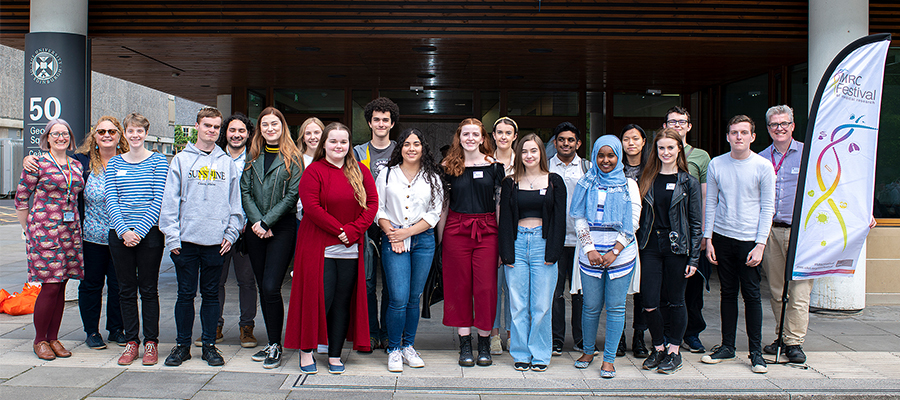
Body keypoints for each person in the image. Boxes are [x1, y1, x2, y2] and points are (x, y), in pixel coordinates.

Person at [22, 116, 130, 350]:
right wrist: (29, 158)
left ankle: (116, 329)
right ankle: (90, 332)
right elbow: (27, 191)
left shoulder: (128, 161)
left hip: (121, 235)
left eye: (112, 131)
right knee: (89, 285)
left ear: (120, 135)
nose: (107, 135)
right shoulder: (83, 161)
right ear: (94, 136)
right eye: (101, 132)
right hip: (89, 235)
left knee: (119, 285)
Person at [285, 122, 377, 375]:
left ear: (349, 145)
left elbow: (372, 205)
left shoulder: (361, 171)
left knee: (341, 301)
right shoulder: (314, 171)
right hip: (318, 247)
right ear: (324, 143)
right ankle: (306, 351)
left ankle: (334, 354)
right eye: (333, 141)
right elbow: (312, 208)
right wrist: (341, 231)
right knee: (318, 300)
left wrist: (353, 231)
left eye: (343, 142)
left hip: (350, 249)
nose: (339, 146)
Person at [159, 107, 244, 367]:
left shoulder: (226, 163)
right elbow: (169, 203)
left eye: (216, 127)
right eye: (207, 125)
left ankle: (209, 346)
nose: (212, 130)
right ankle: (182, 346)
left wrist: (230, 234)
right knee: (185, 295)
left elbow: (235, 205)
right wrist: (172, 237)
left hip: (216, 243)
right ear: (197, 126)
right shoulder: (181, 161)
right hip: (185, 242)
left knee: (211, 296)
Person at [700, 115, 775, 374]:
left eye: (744, 132)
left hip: (749, 240)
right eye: (734, 132)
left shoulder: (763, 166)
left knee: (752, 296)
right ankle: (727, 347)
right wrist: (708, 239)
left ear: (753, 136)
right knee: (727, 294)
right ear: (728, 136)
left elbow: (768, 208)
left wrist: (761, 244)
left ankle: (756, 353)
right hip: (722, 236)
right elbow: (710, 202)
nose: (739, 137)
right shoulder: (717, 164)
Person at [570, 135, 641, 379]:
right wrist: (589, 248)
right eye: (601, 155)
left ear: (619, 156)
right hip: (590, 254)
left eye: (611, 155)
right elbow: (578, 216)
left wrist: (615, 251)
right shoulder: (586, 182)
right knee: (590, 307)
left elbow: (633, 221)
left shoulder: (629, 184)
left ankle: (609, 359)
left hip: (620, 255)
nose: (606, 160)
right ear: (594, 156)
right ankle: (588, 351)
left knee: (616, 307)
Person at [15, 119, 85, 361]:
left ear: (70, 137)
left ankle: (53, 337)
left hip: (70, 231)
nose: (60, 137)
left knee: (62, 285)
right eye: (55, 134)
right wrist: (29, 229)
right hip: (44, 232)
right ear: (47, 138)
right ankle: (39, 340)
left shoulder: (76, 165)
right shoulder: (37, 164)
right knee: (50, 285)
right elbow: (21, 198)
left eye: (64, 133)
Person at [375, 128, 443, 372]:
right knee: (398, 298)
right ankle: (394, 349)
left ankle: (408, 347)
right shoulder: (385, 174)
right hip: (393, 239)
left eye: (416, 143)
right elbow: (378, 209)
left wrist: (407, 232)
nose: (411, 148)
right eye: (406, 144)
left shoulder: (432, 177)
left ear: (423, 148)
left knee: (414, 298)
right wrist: (393, 233)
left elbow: (434, 213)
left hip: (422, 241)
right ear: (399, 148)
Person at [635, 128, 703, 374]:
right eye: (661, 148)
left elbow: (696, 223)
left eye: (670, 148)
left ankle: (674, 351)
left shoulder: (689, 182)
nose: (665, 152)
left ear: (679, 150)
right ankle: (659, 347)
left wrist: (694, 258)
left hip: (677, 247)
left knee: (676, 301)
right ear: (656, 150)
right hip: (650, 246)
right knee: (650, 301)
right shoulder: (646, 178)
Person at [240, 107, 303, 369]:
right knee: (262, 288)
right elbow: (245, 192)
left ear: (282, 127)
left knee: (270, 287)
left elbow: (292, 195)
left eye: (274, 124)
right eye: (265, 124)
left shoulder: (294, 158)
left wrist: (267, 221)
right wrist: (257, 222)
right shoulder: (252, 156)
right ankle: (271, 342)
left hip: (281, 228)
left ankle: (276, 344)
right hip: (256, 229)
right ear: (260, 129)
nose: (269, 129)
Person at [498, 134, 566, 372]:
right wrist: (506, 253)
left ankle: (540, 353)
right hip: (517, 243)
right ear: (520, 155)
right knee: (517, 304)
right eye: (525, 151)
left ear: (541, 154)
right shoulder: (510, 182)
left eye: (534, 151)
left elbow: (559, 220)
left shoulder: (555, 181)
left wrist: (553, 252)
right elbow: (505, 220)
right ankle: (520, 353)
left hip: (542, 244)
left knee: (541, 305)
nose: (529, 155)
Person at [439, 118, 504, 367]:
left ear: (482, 137)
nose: (470, 138)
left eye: (474, 134)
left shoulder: (495, 166)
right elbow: (444, 205)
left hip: (487, 230)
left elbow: (499, 204)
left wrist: (502, 243)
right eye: (465, 134)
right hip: (456, 229)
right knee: (460, 286)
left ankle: (484, 343)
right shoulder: (447, 166)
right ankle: (465, 344)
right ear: (459, 137)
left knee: (486, 288)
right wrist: (441, 241)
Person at [105, 112, 168, 365]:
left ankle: (151, 343)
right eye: (130, 131)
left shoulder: (158, 162)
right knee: (126, 290)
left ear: (146, 133)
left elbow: (158, 200)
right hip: (119, 234)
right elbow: (111, 199)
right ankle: (132, 342)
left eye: (139, 131)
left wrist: (139, 232)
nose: (135, 135)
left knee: (149, 290)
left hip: (149, 234)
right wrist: (124, 231)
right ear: (124, 134)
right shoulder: (115, 164)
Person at [759, 105, 810, 364]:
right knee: (778, 291)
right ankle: (782, 336)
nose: (779, 128)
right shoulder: (760, 158)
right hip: (770, 233)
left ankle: (794, 343)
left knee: (799, 292)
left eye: (784, 123)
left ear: (792, 125)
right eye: (774, 124)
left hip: (800, 233)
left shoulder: (808, 154)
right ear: (768, 129)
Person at [663, 106, 711, 354]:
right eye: (673, 121)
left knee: (691, 289)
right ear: (665, 126)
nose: (678, 125)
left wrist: (702, 232)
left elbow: (705, 196)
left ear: (689, 126)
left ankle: (691, 334)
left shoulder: (701, 157)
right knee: (665, 289)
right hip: (663, 234)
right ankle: (667, 334)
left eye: (682, 122)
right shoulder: (659, 154)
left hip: (690, 232)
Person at [353, 97, 399, 350]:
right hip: (367, 223)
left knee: (393, 282)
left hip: (394, 223)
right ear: (370, 122)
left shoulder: (400, 151)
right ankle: (371, 331)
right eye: (376, 119)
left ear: (392, 123)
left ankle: (388, 332)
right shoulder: (358, 152)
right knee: (368, 282)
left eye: (385, 120)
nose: (381, 124)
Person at [210, 113, 257, 348]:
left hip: (246, 230)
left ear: (248, 134)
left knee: (247, 280)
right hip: (218, 229)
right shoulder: (214, 158)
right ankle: (214, 326)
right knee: (215, 280)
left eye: (241, 131)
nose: (236, 135)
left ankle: (246, 328)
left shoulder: (254, 160)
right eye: (232, 130)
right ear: (224, 133)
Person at [548, 122, 586, 356]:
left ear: (578, 143)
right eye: (561, 139)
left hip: (582, 240)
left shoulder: (588, 167)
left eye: (570, 140)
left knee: (581, 292)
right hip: (555, 239)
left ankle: (582, 339)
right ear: (555, 143)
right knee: (555, 293)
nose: (565, 143)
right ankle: (556, 340)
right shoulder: (546, 166)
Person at [617, 123, 650, 358]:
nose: (631, 143)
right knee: (618, 290)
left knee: (642, 290)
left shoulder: (652, 169)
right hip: (618, 235)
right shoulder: (614, 169)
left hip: (646, 235)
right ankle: (618, 337)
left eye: (635, 139)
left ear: (643, 142)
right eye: (626, 139)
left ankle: (639, 337)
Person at [490, 116, 517, 355]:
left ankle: (513, 334)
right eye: (499, 132)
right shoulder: (486, 163)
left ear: (514, 136)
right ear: (493, 135)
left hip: (519, 232)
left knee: (514, 287)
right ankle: (495, 335)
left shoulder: (525, 161)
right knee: (494, 286)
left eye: (508, 132)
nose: (503, 137)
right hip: (491, 230)